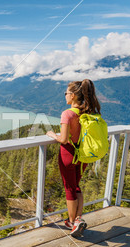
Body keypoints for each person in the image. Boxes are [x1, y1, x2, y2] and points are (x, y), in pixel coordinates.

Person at [46, 79, 101, 237]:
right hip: (83, 155)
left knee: (69, 188)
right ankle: (77, 218)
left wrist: (51, 135)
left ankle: (73, 223)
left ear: (73, 96)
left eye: (66, 93)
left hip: (68, 153)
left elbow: (63, 139)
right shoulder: (88, 112)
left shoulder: (67, 114)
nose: (65, 96)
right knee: (76, 186)